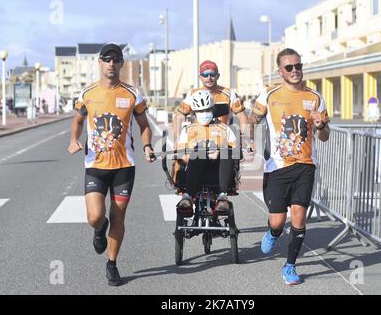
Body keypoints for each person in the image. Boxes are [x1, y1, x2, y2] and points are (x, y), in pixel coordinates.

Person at [68, 43, 156, 286]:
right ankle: (99, 230)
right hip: (95, 165)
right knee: (96, 216)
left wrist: (147, 146)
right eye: (107, 59)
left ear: (121, 64)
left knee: (118, 218)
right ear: (99, 62)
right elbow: (77, 121)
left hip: (123, 167)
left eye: (116, 59)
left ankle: (112, 264)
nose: (111, 63)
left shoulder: (131, 94)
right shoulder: (87, 94)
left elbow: (144, 126)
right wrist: (74, 140)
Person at [250, 48, 330, 285]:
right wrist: (249, 133)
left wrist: (321, 124)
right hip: (277, 166)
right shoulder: (269, 94)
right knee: (277, 219)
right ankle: (274, 233)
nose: (295, 71)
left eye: (298, 66)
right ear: (280, 71)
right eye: (289, 67)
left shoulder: (315, 97)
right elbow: (252, 120)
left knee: (298, 216)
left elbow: (324, 136)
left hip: (305, 165)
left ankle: (290, 266)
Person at [176, 90, 237, 216]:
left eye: (207, 110)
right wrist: (203, 154)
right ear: (194, 111)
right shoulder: (187, 130)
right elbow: (182, 154)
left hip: (219, 167)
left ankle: (222, 197)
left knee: (227, 150)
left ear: (213, 109)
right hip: (195, 165)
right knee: (199, 149)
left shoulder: (225, 129)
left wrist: (220, 152)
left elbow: (235, 151)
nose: (204, 114)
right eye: (200, 111)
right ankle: (187, 197)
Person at [173, 60, 253, 153]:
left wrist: (245, 138)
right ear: (200, 77)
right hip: (196, 142)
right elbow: (179, 116)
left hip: (222, 141)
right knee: (180, 164)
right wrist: (177, 140)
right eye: (205, 75)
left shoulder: (229, 93)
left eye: (212, 74)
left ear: (218, 76)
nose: (209, 78)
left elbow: (242, 116)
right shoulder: (192, 94)